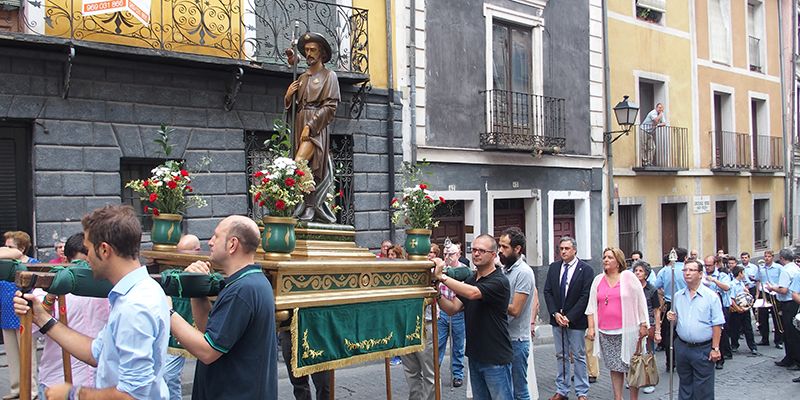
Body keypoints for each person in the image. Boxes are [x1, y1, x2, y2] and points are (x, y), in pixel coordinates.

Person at [13, 205, 170, 399]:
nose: (86, 258)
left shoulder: (134, 305)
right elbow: (97, 352)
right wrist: (42, 318)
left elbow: (133, 395)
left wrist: (73, 394)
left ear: (104, 250)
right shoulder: (136, 292)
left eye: (87, 250)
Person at [168, 216, 277, 399]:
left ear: (232, 244)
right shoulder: (251, 281)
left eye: (216, 236)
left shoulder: (242, 290)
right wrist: (196, 288)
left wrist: (166, 311)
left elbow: (207, 351)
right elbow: (210, 331)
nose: (210, 242)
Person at [434, 234, 512, 400]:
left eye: (481, 251)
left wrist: (442, 277)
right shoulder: (471, 279)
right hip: (475, 355)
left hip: (495, 356)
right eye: (474, 249)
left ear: (493, 254)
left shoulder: (499, 281)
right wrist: (436, 291)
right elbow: (452, 308)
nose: (476, 253)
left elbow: (473, 293)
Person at [37, 232, 111, 400]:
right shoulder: (50, 288)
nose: (87, 270)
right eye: (82, 264)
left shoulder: (111, 289)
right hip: (58, 383)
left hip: (102, 387)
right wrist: (50, 296)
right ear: (66, 261)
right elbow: (32, 328)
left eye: (91, 263)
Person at [284, 31, 340, 223]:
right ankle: (302, 205)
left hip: (316, 126)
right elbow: (295, 107)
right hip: (300, 121)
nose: (309, 53)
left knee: (301, 162)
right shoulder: (302, 77)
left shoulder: (329, 76)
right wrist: (288, 98)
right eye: (306, 50)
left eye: (313, 50)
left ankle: (310, 206)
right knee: (301, 165)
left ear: (321, 53)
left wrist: (311, 125)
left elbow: (330, 107)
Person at [586, 248, 649, 400]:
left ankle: (633, 398)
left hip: (628, 330)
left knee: (631, 366)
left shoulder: (628, 277)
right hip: (606, 332)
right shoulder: (598, 280)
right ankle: (618, 397)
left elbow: (640, 301)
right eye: (604, 257)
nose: (606, 260)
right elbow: (591, 306)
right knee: (615, 367)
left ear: (618, 261)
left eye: (610, 257)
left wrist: (643, 324)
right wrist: (591, 327)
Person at [543, 237, 594, 400]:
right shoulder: (554, 267)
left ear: (575, 250)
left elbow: (585, 296)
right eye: (561, 249)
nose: (563, 252)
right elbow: (547, 291)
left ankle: (581, 391)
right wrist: (555, 313)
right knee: (561, 355)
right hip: (557, 319)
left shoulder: (585, 270)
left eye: (567, 248)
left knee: (578, 355)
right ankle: (562, 390)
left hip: (576, 321)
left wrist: (569, 317)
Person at [666, 259, 725, 400]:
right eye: (685, 270)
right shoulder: (678, 296)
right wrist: (671, 318)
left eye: (691, 270)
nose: (687, 273)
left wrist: (715, 348)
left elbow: (717, 324)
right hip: (682, 346)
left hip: (703, 348)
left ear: (700, 274)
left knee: (703, 389)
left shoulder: (711, 296)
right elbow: (676, 322)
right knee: (685, 385)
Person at [1, 231, 40, 400]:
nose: (6, 249)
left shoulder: (32, 264)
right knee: (11, 354)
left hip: (24, 313)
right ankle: (16, 387)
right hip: (6, 314)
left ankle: (31, 389)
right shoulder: (4, 265)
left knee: (28, 354)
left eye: (10, 246)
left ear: (22, 248)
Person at [162, 234, 202, 400]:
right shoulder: (172, 268)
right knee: (167, 375)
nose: (180, 257)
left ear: (197, 251)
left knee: (169, 373)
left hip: (194, 325)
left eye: (185, 252)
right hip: (173, 326)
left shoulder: (203, 267)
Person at [498, 227, 536, 400]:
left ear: (517, 249)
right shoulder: (504, 269)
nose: (500, 250)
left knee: (519, 390)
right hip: (504, 337)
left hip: (517, 340)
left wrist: (491, 299)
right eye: (499, 246)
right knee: (505, 388)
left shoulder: (524, 272)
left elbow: (515, 310)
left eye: (505, 247)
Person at [436, 242, 466, 388]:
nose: (448, 257)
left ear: (458, 255)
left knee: (458, 346)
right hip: (442, 312)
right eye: (445, 254)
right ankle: (435, 373)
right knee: (438, 344)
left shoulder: (463, 271)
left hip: (458, 313)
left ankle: (457, 374)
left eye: (451, 254)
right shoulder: (440, 270)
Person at [654, 247, 688, 370]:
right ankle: (683, 361)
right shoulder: (687, 270)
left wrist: (664, 293)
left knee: (670, 335)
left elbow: (656, 286)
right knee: (685, 332)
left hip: (670, 303)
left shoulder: (664, 271)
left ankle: (670, 362)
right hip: (685, 303)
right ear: (685, 258)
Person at [632, 260, 660, 394]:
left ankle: (649, 381)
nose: (638, 273)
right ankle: (634, 378)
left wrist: (658, 330)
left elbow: (656, 310)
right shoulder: (630, 288)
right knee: (634, 353)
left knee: (649, 353)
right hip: (634, 323)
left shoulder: (652, 289)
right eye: (636, 271)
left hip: (649, 323)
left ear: (646, 274)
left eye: (641, 271)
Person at [701, 255, 731, 369]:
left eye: (709, 265)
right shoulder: (702, 275)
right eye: (705, 265)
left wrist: (714, 280)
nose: (707, 268)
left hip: (720, 306)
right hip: (705, 307)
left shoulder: (722, 275)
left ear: (715, 264)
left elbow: (727, 287)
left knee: (720, 332)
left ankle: (720, 358)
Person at [773, 249, 800, 369]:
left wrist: (772, 288)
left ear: (782, 258)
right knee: (792, 332)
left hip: (788, 303)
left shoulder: (785, 270)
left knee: (790, 333)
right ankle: (790, 358)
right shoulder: (796, 268)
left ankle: (794, 359)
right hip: (794, 303)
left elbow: (783, 290)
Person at [755, 249, 783, 348]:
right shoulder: (761, 268)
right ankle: (764, 339)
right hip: (764, 293)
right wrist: (757, 294)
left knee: (777, 318)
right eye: (765, 256)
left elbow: (782, 281)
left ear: (773, 257)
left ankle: (778, 340)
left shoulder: (779, 268)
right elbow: (758, 280)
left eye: (769, 256)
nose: (767, 258)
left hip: (774, 293)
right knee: (763, 317)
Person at [727, 265, 758, 355]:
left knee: (748, 328)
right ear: (739, 273)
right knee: (735, 329)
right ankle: (734, 345)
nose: (744, 274)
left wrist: (747, 292)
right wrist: (737, 309)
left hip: (744, 308)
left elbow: (744, 295)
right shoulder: (732, 284)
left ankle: (753, 347)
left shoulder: (741, 283)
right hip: (736, 310)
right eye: (743, 273)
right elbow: (731, 299)